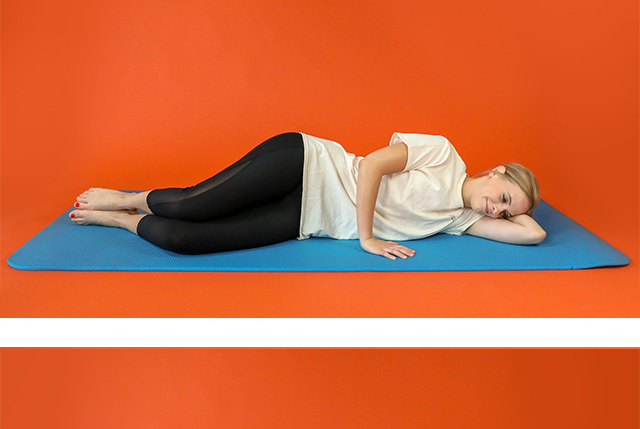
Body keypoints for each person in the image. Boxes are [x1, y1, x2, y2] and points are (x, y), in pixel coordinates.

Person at [70, 131, 545, 260]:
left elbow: (534, 234)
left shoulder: (458, 220)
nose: (496, 209)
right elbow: (377, 163)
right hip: (306, 163)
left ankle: (119, 220)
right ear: (496, 172)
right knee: (191, 205)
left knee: (185, 241)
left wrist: (521, 212)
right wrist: (367, 238)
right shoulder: (443, 154)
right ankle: (122, 197)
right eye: (503, 195)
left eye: (505, 212)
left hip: (303, 217)